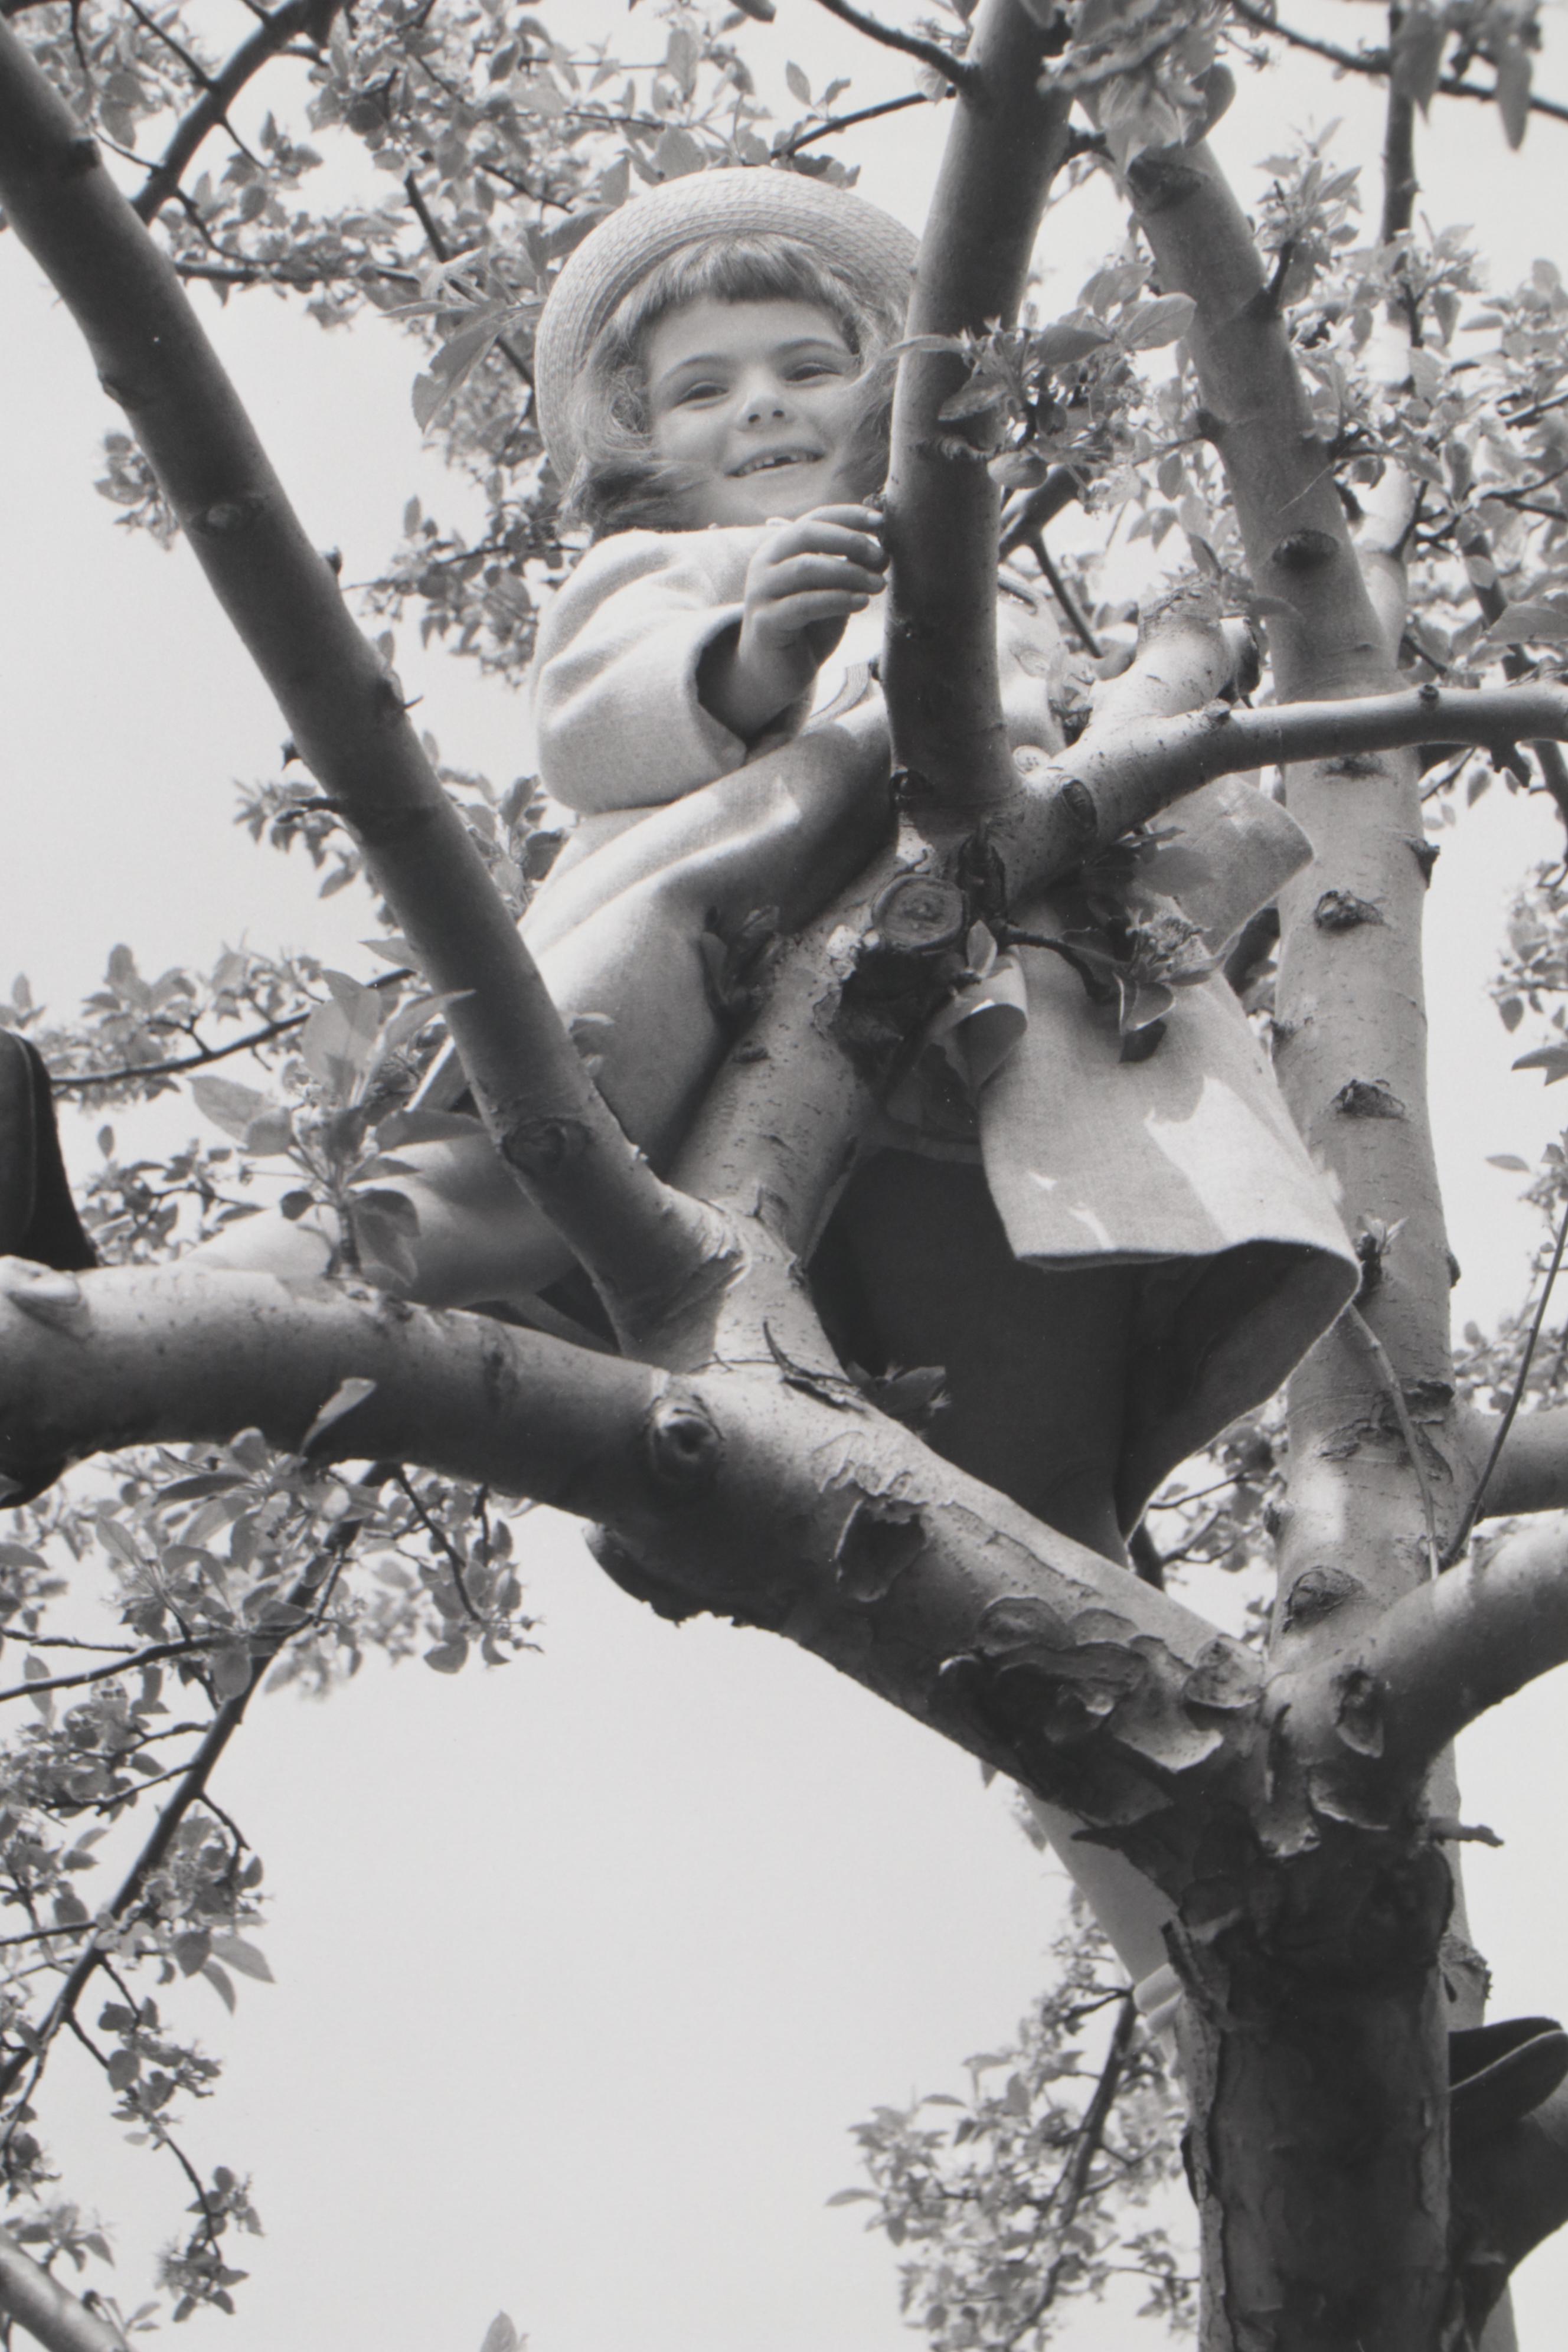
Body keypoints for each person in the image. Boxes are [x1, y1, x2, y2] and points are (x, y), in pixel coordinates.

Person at [14, 168, 1559, 2131]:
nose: (759, 405)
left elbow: (1103, 812)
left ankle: (1313, 2053)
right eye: (703, 388)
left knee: (1064, 1599)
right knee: (446, 1203)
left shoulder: (975, 607)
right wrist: (755, 652)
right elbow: (600, 727)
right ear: (633, 447)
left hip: (982, 1130)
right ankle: (109, 1308)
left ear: (892, 400)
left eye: (809, 367)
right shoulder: (669, 578)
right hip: (704, 1039)